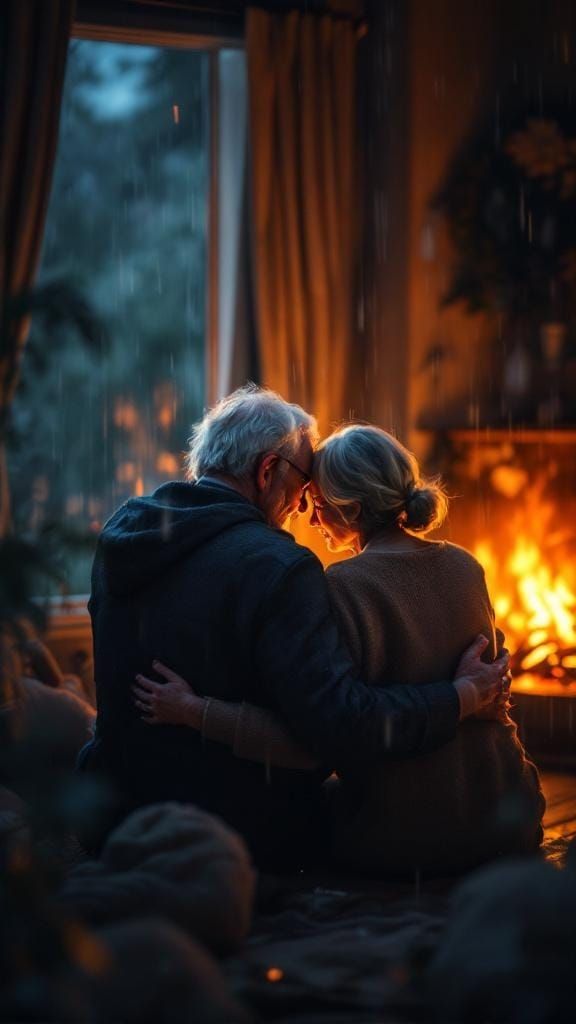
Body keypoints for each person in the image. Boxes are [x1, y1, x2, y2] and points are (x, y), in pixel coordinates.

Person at [81, 386, 508, 868]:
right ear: (268, 471)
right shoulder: (279, 566)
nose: (303, 508)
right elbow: (340, 728)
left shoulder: (124, 532)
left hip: (112, 813)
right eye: (304, 485)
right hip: (233, 834)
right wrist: (461, 697)